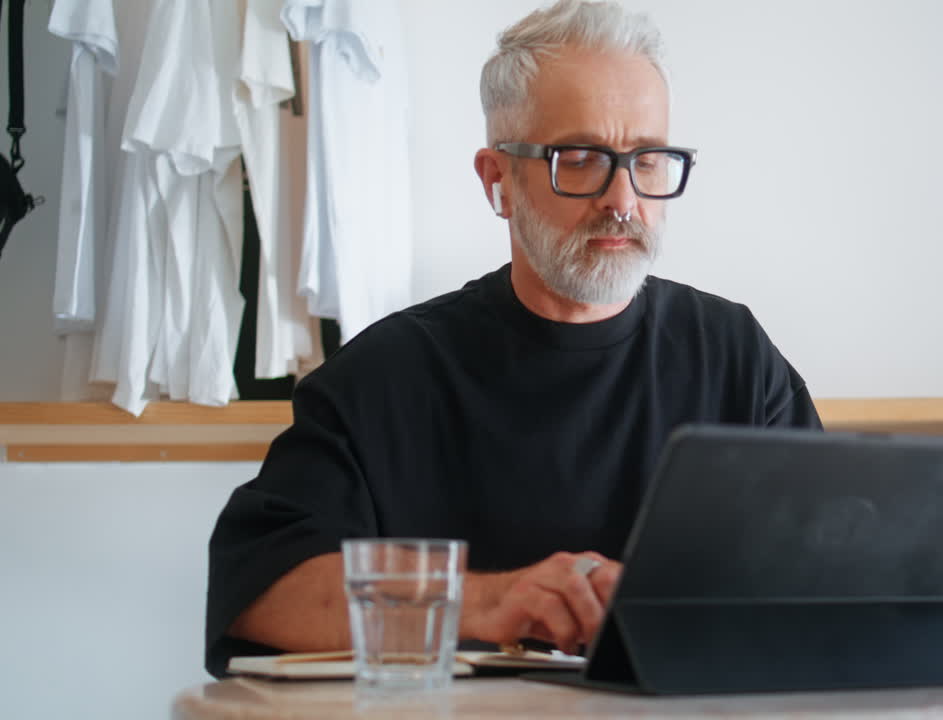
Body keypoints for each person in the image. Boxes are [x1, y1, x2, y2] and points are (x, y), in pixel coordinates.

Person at [205, 0, 822, 678]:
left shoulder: (734, 355)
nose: (624, 199)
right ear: (498, 180)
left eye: (648, 159)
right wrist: (488, 602)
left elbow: (829, 571)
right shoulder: (385, 377)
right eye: (582, 157)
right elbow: (257, 590)